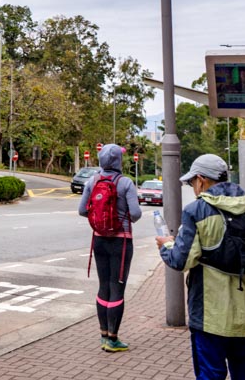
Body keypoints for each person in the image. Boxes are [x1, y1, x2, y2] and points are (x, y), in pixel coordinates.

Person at [156, 153, 245, 380]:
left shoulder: (196, 212)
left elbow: (181, 260)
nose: (193, 188)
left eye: (192, 183)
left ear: (201, 180)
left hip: (208, 316)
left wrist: (166, 245)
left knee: (210, 375)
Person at [77, 143, 142, 352]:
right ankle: (113, 339)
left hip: (99, 240)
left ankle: (103, 335)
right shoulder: (125, 183)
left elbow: (82, 210)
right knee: (117, 287)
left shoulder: (92, 181)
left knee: (103, 285)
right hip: (120, 242)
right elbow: (136, 214)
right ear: (119, 161)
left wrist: (100, 219)